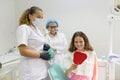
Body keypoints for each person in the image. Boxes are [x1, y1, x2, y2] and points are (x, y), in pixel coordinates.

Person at [16, 6, 51, 80]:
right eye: (38, 17)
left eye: (41, 18)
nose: (40, 19)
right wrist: (40, 55)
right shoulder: (24, 28)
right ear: (30, 16)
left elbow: (36, 45)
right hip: (30, 71)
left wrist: (44, 46)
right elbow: (22, 51)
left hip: (39, 69)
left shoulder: (36, 29)